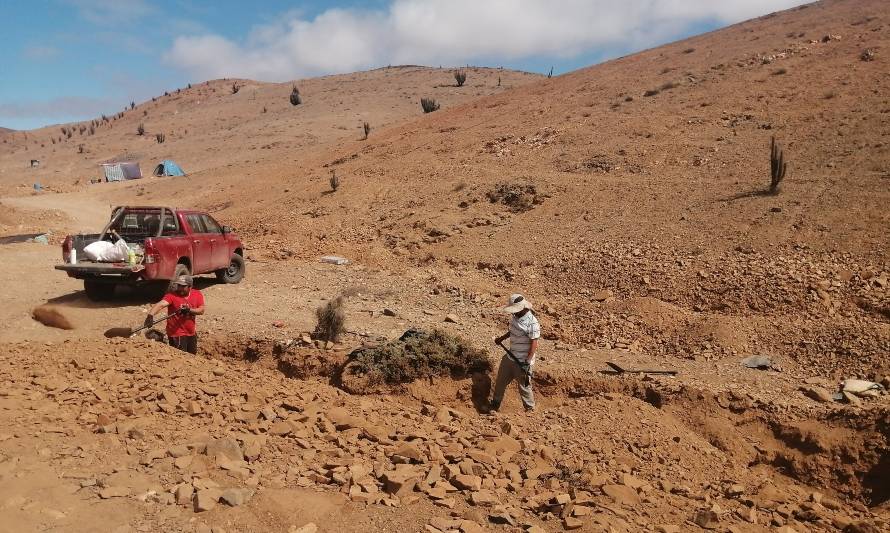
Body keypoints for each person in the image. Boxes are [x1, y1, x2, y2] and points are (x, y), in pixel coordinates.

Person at [489, 293, 540, 412]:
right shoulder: (515, 316)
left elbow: (534, 343)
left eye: (515, 310)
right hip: (510, 357)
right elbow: (512, 331)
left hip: (522, 361)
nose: (513, 312)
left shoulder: (532, 322)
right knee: (500, 383)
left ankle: (530, 410)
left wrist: (527, 362)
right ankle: (495, 406)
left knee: (524, 387)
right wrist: (502, 338)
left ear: (522, 308)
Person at [145, 275, 204, 354]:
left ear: (190, 287)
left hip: (191, 332)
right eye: (179, 285)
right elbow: (161, 305)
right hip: (177, 334)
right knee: (181, 357)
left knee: (192, 356)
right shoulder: (171, 295)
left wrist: (189, 310)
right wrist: (150, 315)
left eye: (183, 286)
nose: (180, 288)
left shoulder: (197, 294)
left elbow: (201, 310)